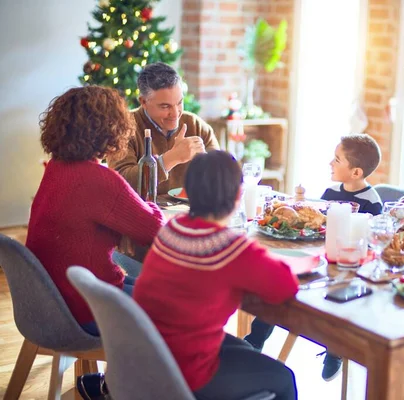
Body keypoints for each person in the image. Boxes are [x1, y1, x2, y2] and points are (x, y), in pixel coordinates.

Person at [26, 86, 165, 399]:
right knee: (170, 311)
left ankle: (106, 386)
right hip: (82, 306)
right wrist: (150, 201)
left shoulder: (56, 169)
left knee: (148, 289)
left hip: (52, 299)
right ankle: (124, 389)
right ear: (111, 130)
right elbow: (155, 229)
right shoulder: (99, 179)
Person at [134, 151, 299, 400]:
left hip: (149, 356)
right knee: (284, 378)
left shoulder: (171, 229)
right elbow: (286, 287)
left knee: (246, 348)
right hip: (188, 373)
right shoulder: (230, 248)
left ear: (187, 192)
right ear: (238, 196)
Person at [245, 133, 384, 382]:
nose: (330, 163)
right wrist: (300, 203)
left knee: (337, 300)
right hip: (320, 257)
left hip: (348, 268)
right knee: (281, 285)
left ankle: (336, 348)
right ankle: (255, 339)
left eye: (337, 159)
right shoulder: (330, 191)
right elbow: (317, 223)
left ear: (356, 172)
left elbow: (370, 240)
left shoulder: (371, 203)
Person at [107, 62, 220, 194]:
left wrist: (210, 166)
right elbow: (120, 183)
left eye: (179, 103)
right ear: (143, 102)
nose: (175, 113)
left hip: (191, 212)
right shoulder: (123, 128)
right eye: (165, 106)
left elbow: (221, 174)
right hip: (142, 213)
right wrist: (171, 158)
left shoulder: (195, 125)